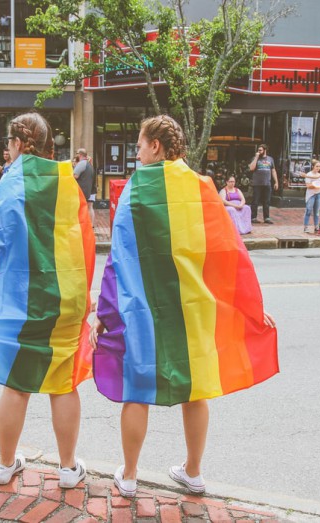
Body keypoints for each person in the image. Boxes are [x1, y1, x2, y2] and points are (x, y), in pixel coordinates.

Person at [90, 115, 278, 498]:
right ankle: (193, 472)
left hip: (143, 310)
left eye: (140, 146)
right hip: (192, 308)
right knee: (195, 389)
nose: (137, 154)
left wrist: (106, 314)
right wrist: (249, 307)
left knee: (137, 389)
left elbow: (119, 259)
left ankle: (128, 475)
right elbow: (229, 254)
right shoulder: (202, 187)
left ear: (155, 146)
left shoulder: (136, 190)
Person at [0, 111, 95, 490]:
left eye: (8, 143)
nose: (6, 150)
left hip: (18, 300)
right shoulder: (67, 182)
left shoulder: (9, 185)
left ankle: (5, 464)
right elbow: (83, 244)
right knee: (63, 382)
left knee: (16, 383)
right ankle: (66, 468)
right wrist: (84, 292)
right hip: (63, 297)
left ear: (18, 143)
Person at [249, 144, 278, 224]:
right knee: (255, 201)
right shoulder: (255, 158)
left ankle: (266, 217)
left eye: (260, 150)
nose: (259, 152)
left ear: (265, 150)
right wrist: (256, 157)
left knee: (267, 201)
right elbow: (251, 168)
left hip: (267, 183)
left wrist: (276, 182)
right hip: (257, 183)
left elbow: (273, 171)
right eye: (258, 150)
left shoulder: (270, 159)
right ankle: (253, 217)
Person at [73, 148, 96, 224]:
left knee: (80, 208)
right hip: (91, 190)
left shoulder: (82, 163)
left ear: (79, 155)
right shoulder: (89, 164)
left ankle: (82, 225)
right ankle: (91, 225)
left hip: (83, 191)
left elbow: (75, 176)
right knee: (90, 208)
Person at [303, 161, 320, 233]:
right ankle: (306, 227)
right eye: (317, 166)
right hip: (311, 195)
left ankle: (316, 226)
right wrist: (315, 185)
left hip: (318, 194)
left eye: (319, 166)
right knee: (308, 210)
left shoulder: (319, 175)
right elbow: (308, 186)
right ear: (313, 166)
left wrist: (315, 185)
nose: (318, 168)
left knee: (317, 211)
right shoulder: (309, 174)